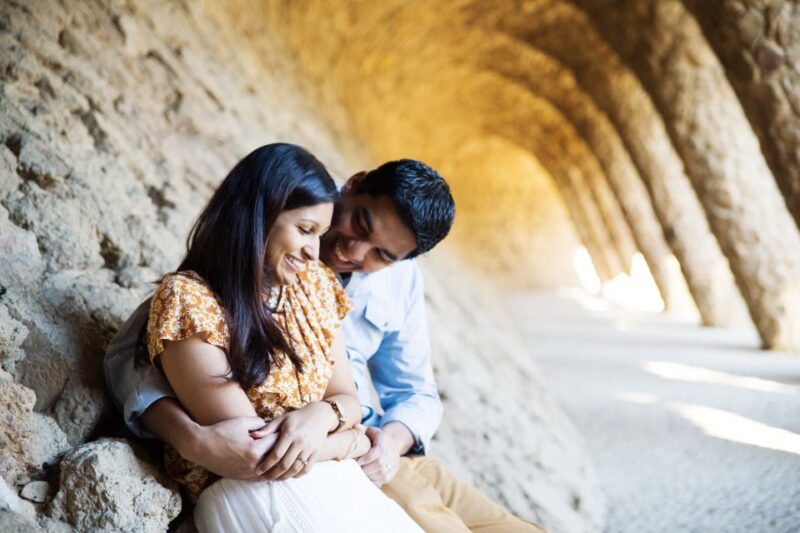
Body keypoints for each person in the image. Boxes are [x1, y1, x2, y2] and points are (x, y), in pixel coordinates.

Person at [106, 151, 545, 532]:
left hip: (377, 448)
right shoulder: (287, 204)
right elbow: (137, 355)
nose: (352, 251)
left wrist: (386, 443)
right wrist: (189, 437)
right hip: (323, 461)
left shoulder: (391, 279)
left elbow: (415, 393)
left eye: (382, 255)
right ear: (352, 187)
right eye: (358, 222)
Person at [128, 142, 423, 531]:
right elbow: (258, 453)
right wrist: (352, 443)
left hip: (338, 477)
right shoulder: (190, 300)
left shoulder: (315, 284)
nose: (315, 252)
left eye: (319, 233)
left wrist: (321, 415)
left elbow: (350, 399)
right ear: (259, 215)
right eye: (305, 230)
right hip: (258, 492)